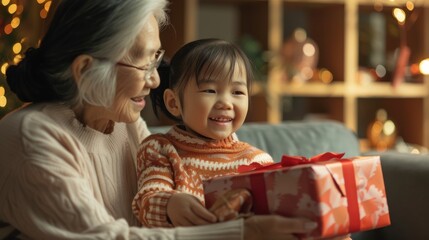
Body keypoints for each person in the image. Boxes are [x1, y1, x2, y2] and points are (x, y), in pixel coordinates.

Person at [0, 0, 340, 239]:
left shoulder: (124, 123)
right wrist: (242, 234)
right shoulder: (31, 138)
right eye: (144, 64)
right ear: (87, 70)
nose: (155, 80)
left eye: (156, 59)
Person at [132, 38, 275, 228]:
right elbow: (147, 201)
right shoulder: (159, 148)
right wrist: (169, 205)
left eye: (238, 92)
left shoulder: (258, 161)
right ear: (174, 103)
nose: (226, 102)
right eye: (210, 90)